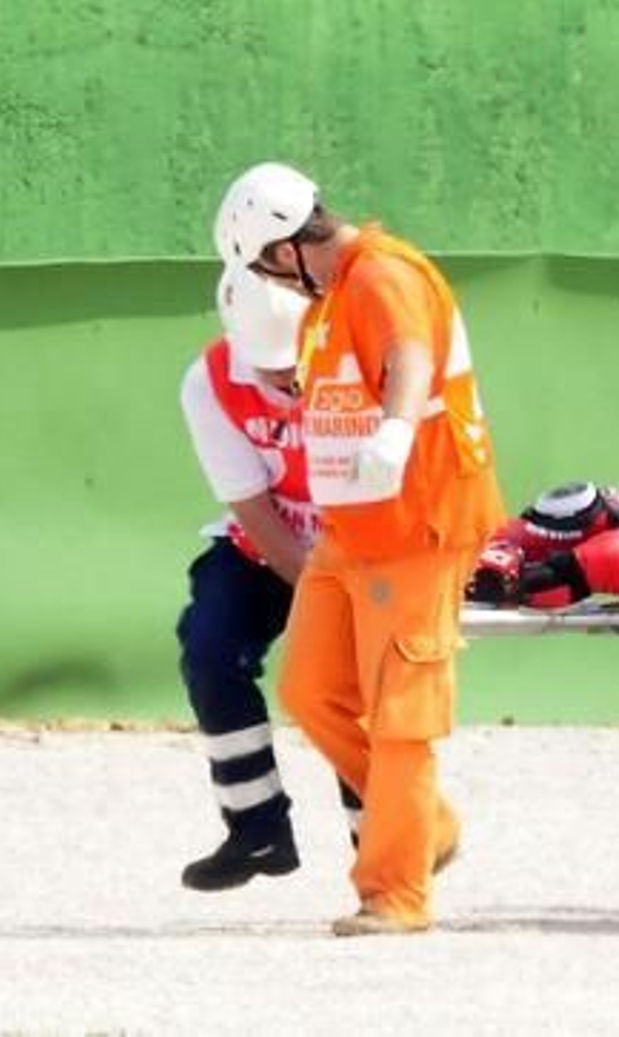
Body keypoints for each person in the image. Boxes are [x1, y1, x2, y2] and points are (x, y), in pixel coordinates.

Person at [213, 161, 506, 936]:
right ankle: (426, 822)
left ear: (286, 247)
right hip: (353, 533)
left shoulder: (381, 274)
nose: (271, 282)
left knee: (402, 714)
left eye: (265, 266)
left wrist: (397, 429)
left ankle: (395, 892)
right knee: (311, 689)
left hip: (418, 526)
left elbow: (410, 355)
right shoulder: (329, 302)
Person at [176, 266, 361, 891]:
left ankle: (381, 844)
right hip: (266, 549)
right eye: (269, 365)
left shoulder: (356, 367)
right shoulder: (208, 382)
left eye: (292, 362)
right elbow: (252, 509)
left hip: (358, 550)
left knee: (352, 682)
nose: (284, 378)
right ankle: (256, 829)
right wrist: (316, 596)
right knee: (209, 649)